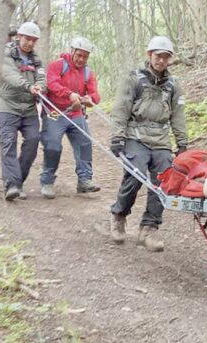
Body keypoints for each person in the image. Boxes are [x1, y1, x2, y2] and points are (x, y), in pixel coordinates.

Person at [109, 36, 188, 252]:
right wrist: (117, 136)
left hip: (161, 139)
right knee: (135, 176)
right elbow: (121, 108)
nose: (161, 61)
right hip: (136, 136)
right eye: (158, 56)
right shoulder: (134, 78)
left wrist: (182, 143)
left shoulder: (173, 85)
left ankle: (149, 228)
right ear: (149, 55)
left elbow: (178, 116)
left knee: (163, 183)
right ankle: (119, 215)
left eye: (165, 57)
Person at [39, 37, 101, 199]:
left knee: (85, 142)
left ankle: (84, 180)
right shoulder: (57, 65)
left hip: (75, 113)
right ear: (72, 51)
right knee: (52, 146)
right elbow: (52, 84)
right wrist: (70, 94)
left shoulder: (88, 73)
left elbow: (95, 94)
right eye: (79, 55)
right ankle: (47, 181)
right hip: (54, 112)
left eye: (85, 56)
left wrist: (90, 99)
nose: (81, 59)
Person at [0, 22, 46, 201]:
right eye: (27, 39)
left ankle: (17, 182)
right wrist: (28, 86)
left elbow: (42, 77)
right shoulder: (5, 53)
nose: (29, 43)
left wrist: (40, 87)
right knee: (8, 142)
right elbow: (9, 74)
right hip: (6, 105)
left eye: (33, 40)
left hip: (29, 108)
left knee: (33, 140)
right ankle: (11, 184)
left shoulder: (36, 59)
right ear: (19, 37)